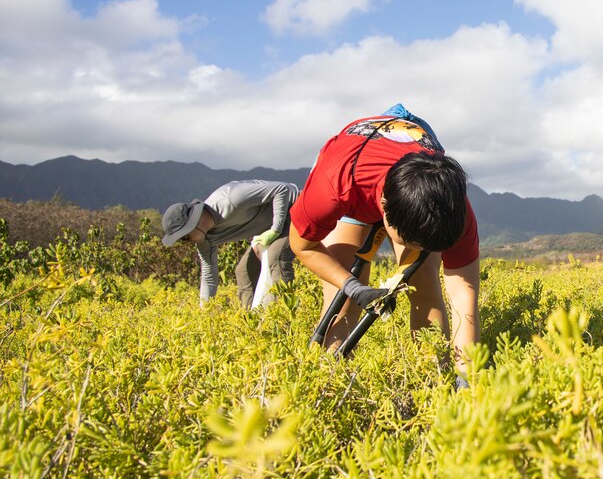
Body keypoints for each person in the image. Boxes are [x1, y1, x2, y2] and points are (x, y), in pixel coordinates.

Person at [288, 104, 479, 386]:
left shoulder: (453, 208)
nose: (417, 247)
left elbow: (465, 296)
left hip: (416, 164)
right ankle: (330, 384)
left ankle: (434, 383)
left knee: (423, 277)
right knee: (341, 299)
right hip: (354, 170)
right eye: (409, 241)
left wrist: (466, 379)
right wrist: (350, 285)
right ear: (384, 210)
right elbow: (303, 246)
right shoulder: (334, 187)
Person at [161, 180, 299, 308]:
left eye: (185, 237)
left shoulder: (230, 199)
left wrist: (275, 230)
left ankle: (281, 316)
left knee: (276, 257)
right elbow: (209, 278)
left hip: (293, 210)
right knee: (244, 271)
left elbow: (282, 190)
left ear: (193, 224)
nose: (187, 242)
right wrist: (205, 311)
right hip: (267, 229)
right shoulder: (204, 240)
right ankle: (253, 323)